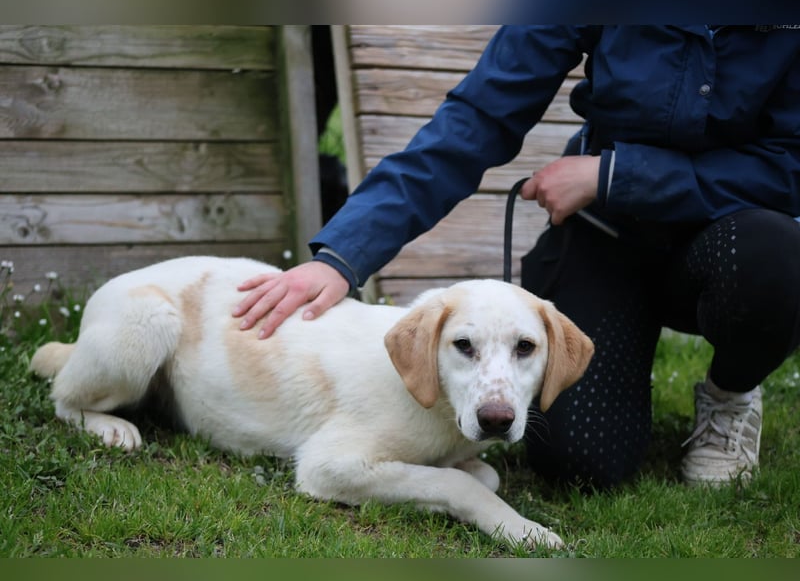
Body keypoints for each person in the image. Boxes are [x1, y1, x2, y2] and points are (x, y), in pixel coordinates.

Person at [232, 26, 800, 489]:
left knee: (776, 256)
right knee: (581, 466)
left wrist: (615, 176)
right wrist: (341, 255)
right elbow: (477, 118)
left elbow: (791, 166)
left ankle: (730, 394)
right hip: (606, 240)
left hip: (734, 237)